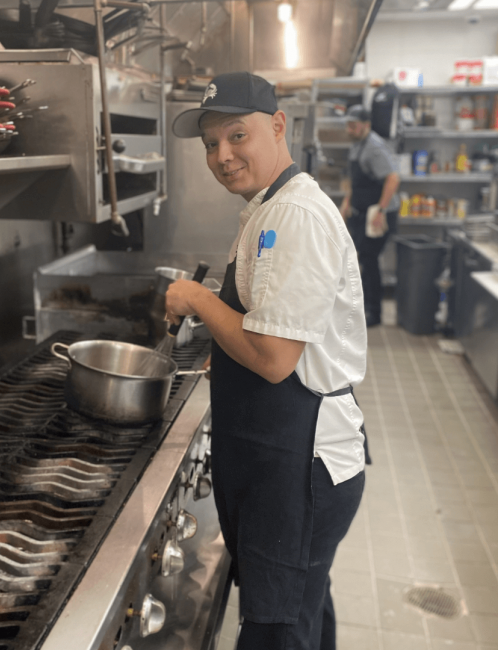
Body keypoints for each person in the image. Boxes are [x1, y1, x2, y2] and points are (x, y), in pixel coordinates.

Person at [165, 71, 367, 650]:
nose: (222, 156)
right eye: (210, 144)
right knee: (300, 612)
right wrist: (223, 357)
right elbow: (269, 328)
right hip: (285, 459)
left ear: (277, 126)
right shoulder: (268, 207)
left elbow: (275, 358)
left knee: (277, 630)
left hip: (297, 469)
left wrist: (198, 299)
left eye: (236, 136)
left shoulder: (292, 215)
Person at [340, 104, 401, 328]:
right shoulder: (356, 145)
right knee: (362, 259)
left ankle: (374, 314)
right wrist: (345, 205)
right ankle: (363, 308)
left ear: (366, 126)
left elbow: (393, 178)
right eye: (348, 124)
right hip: (362, 211)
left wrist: (381, 211)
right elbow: (354, 181)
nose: (349, 129)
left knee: (369, 259)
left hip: (379, 214)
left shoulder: (375, 147)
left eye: (353, 125)